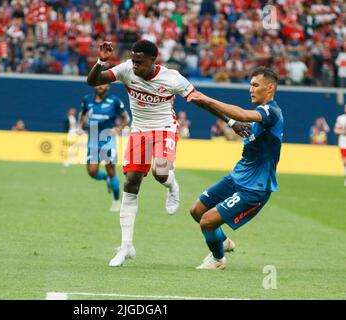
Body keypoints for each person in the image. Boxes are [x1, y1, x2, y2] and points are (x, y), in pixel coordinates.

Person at [86, 40, 250, 267]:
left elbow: (201, 101)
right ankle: (126, 246)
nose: (135, 66)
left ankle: (172, 186)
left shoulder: (172, 78)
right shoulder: (126, 69)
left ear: (154, 61)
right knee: (131, 182)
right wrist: (101, 61)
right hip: (139, 131)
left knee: (160, 172)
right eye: (133, 61)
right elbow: (92, 81)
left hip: (164, 129)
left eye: (140, 63)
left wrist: (231, 121)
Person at [187, 67, 283, 269]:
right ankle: (222, 241)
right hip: (237, 177)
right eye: (250, 85)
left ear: (270, 87)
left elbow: (243, 115)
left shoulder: (271, 113)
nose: (251, 89)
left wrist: (208, 99)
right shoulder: (259, 116)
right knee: (196, 211)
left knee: (207, 222)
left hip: (254, 188)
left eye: (255, 85)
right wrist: (207, 104)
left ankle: (218, 259)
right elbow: (236, 119)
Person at [77, 84, 130, 212]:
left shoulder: (114, 101)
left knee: (110, 169)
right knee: (92, 172)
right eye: (98, 84)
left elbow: (126, 118)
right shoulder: (87, 99)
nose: (100, 86)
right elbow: (82, 114)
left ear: (108, 86)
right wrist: (79, 126)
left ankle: (116, 201)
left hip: (107, 138)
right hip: (93, 136)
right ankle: (106, 179)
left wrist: (118, 128)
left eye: (103, 84)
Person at [334, 104, 346, 186]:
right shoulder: (341, 118)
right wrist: (343, 132)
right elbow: (335, 130)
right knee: (345, 162)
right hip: (343, 143)